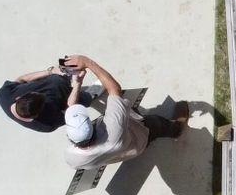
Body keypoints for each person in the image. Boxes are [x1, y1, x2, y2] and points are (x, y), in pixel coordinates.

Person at [59, 54, 187, 171]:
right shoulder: (112, 128)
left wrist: (77, 84)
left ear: (71, 138)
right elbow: (114, 89)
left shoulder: (71, 157)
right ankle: (177, 129)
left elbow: (71, 106)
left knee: (124, 110)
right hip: (140, 138)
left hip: (122, 149)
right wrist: (87, 62)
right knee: (157, 123)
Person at [0, 63, 76, 133]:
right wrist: (77, 85)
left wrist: (50, 71)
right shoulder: (48, 124)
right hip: (72, 97)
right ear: (36, 116)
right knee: (88, 96)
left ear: (18, 98)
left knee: (69, 61)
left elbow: (21, 79)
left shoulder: (3, 94)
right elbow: (69, 112)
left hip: (56, 77)